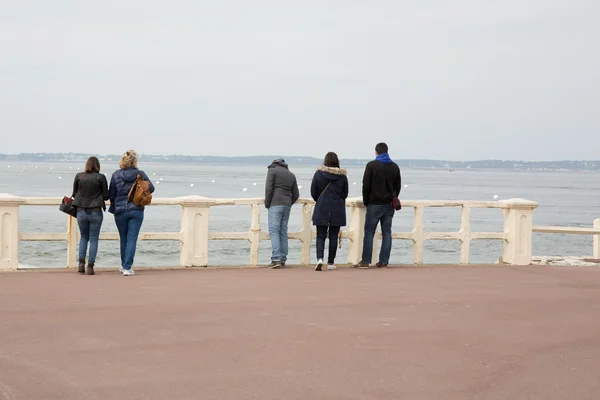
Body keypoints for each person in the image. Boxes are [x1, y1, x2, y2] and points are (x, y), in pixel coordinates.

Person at [355, 142, 401, 268]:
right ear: (387, 151)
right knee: (387, 233)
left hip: (374, 204)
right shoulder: (395, 167)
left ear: (376, 152)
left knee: (369, 232)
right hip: (389, 205)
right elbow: (398, 187)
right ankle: (384, 261)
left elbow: (366, 185)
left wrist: (366, 201)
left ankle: (365, 261)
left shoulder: (371, 165)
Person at [108, 150, 155, 276]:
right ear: (135, 161)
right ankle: (127, 267)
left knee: (123, 238)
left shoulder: (116, 175)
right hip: (136, 209)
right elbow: (151, 188)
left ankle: (124, 265)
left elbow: (111, 194)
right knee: (132, 239)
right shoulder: (140, 174)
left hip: (120, 211)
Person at [311, 152, 349, 271]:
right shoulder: (342, 177)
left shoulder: (318, 174)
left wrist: (321, 200)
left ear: (325, 161)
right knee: (333, 236)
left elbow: (314, 192)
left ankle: (319, 259)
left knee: (320, 235)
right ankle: (331, 262)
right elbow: (345, 193)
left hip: (322, 207)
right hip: (337, 208)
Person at [72, 157, 109, 275]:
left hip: (81, 211)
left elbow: (74, 193)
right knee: (94, 239)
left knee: (83, 237)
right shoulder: (101, 177)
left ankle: (81, 264)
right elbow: (106, 196)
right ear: (98, 165)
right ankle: (90, 266)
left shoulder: (79, 176)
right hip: (96, 211)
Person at [264, 158, 299, 269]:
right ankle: (283, 258)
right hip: (287, 205)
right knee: (283, 231)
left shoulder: (272, 171)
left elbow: (268, 189)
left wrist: (267, 203)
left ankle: (276, 258)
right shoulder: (291, 175)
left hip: (275, 203)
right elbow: (296, 194)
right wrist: (289, 202)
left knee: (274, 231)